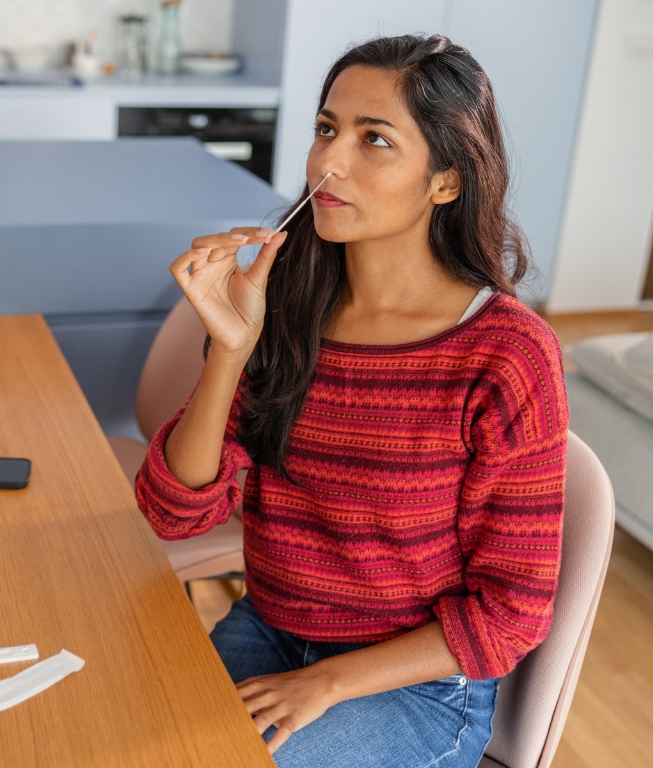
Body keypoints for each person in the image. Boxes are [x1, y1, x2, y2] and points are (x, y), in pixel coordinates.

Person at [135, 34, 568, 768]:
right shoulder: (286, 306)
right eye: (327, 129)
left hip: (417, 685)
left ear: (446, 181)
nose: (329, 162)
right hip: (270, 627)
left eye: (375, 140)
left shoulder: (507, 354)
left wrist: (327, 682)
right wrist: (230, 355)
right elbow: (173, 512)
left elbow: (512, 614)